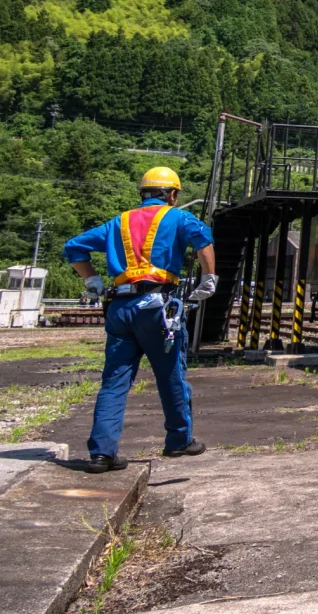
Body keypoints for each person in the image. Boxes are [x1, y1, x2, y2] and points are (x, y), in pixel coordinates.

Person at [63, 165, 219, 473]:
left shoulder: (118, 223)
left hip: (119, 307)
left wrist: (91, 279)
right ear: (172, 194)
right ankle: (178, 440)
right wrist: (209, 277)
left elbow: (73, 247)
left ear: (144, 193)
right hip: (157, 306)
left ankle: (101, 454)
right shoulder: (178, 217)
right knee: (170, 375)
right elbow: (203, 241)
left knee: (114, 381)